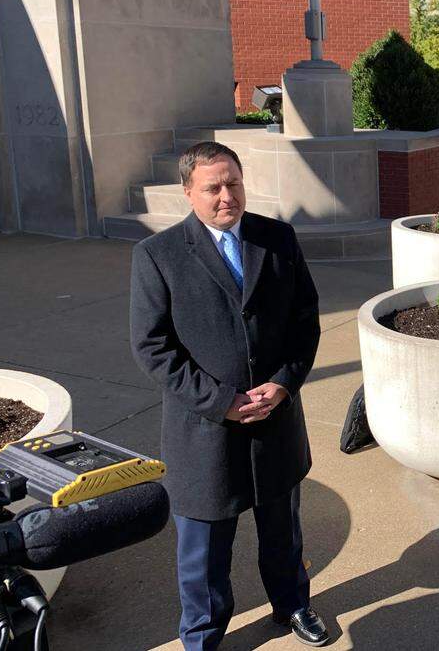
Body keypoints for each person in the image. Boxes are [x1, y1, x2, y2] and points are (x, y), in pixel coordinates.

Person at [129, 141, 329, 649]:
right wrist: (221, 401)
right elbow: (153, 347)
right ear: (188, 192)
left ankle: (293, 605)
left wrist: (283, 383)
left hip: (275, 424)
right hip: (205, 434)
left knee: (283, 533)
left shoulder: (278, 239)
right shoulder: (157, 255)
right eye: (212, 187)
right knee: (204, 554)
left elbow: (306, 323)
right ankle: (202, 635)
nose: (226, 196)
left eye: (233, 183)